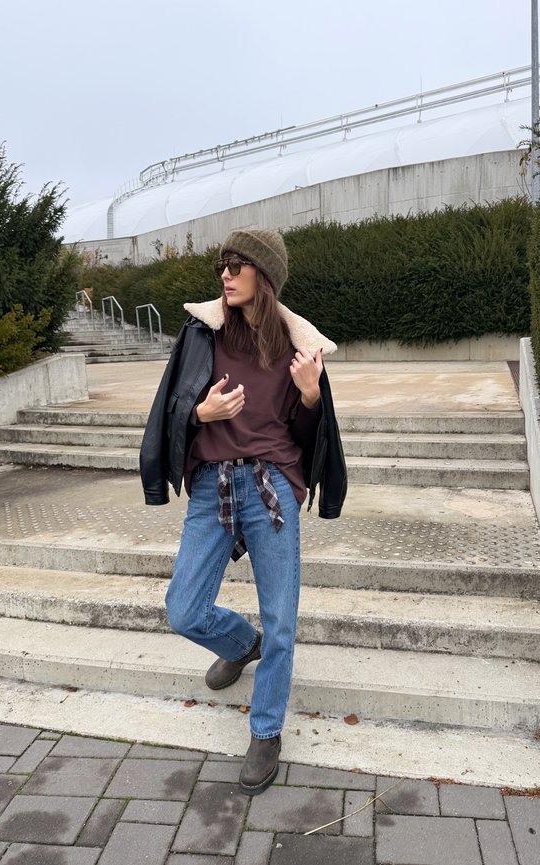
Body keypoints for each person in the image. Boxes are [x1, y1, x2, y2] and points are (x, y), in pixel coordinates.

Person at [140, 228, 347, 795]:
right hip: (213, 486)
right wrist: (200, 414)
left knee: (281, 619)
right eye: (222, 266)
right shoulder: (202, 334)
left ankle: (266, 730)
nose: (225, 275)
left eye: (236, 265)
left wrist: (310, 395)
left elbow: (307, 434)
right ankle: (239, 644)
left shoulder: (298, 347)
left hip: (271, 487)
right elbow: (172, 406)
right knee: (183, 610)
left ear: (265, 274)